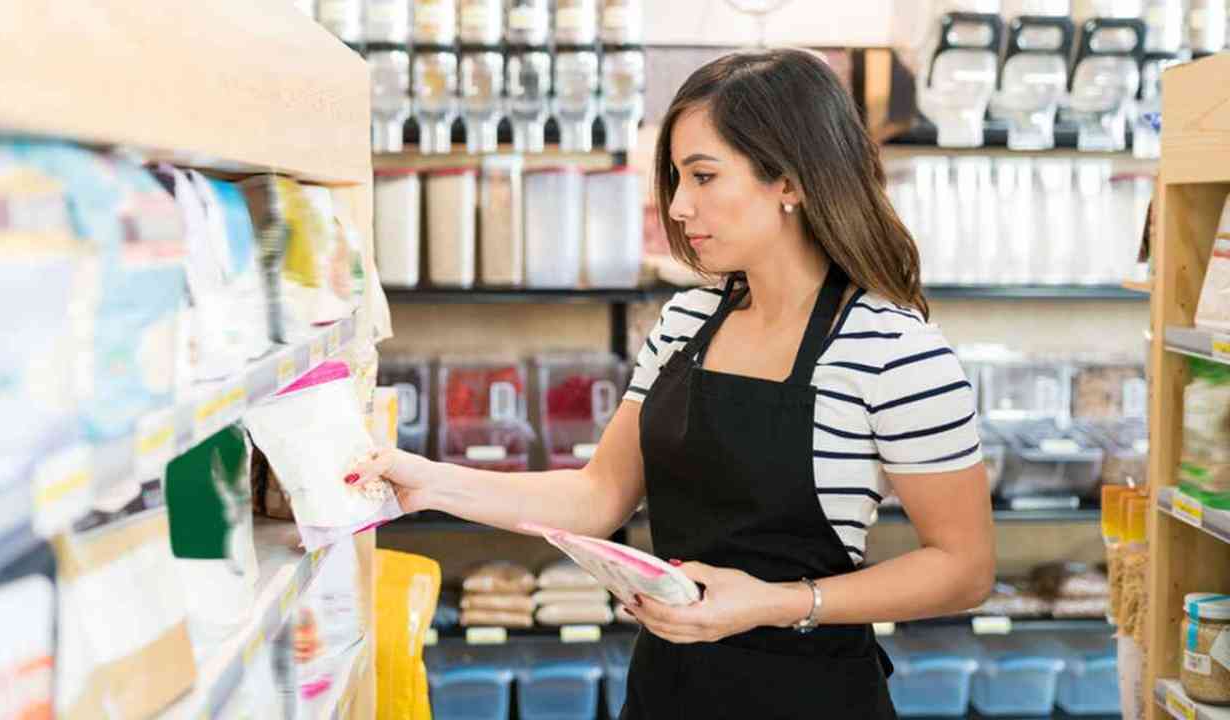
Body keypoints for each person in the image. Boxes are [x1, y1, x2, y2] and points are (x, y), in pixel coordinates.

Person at [357, 48, 995, 718]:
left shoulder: (893, 349)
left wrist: (779, 601)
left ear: (790, 182)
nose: (679, 205)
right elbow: (598, 495)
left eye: (703, 176)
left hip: (810, 695)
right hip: (668, 689)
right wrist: (426, 482)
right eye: (676, 178)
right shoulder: (687, 319)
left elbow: (963, 566)